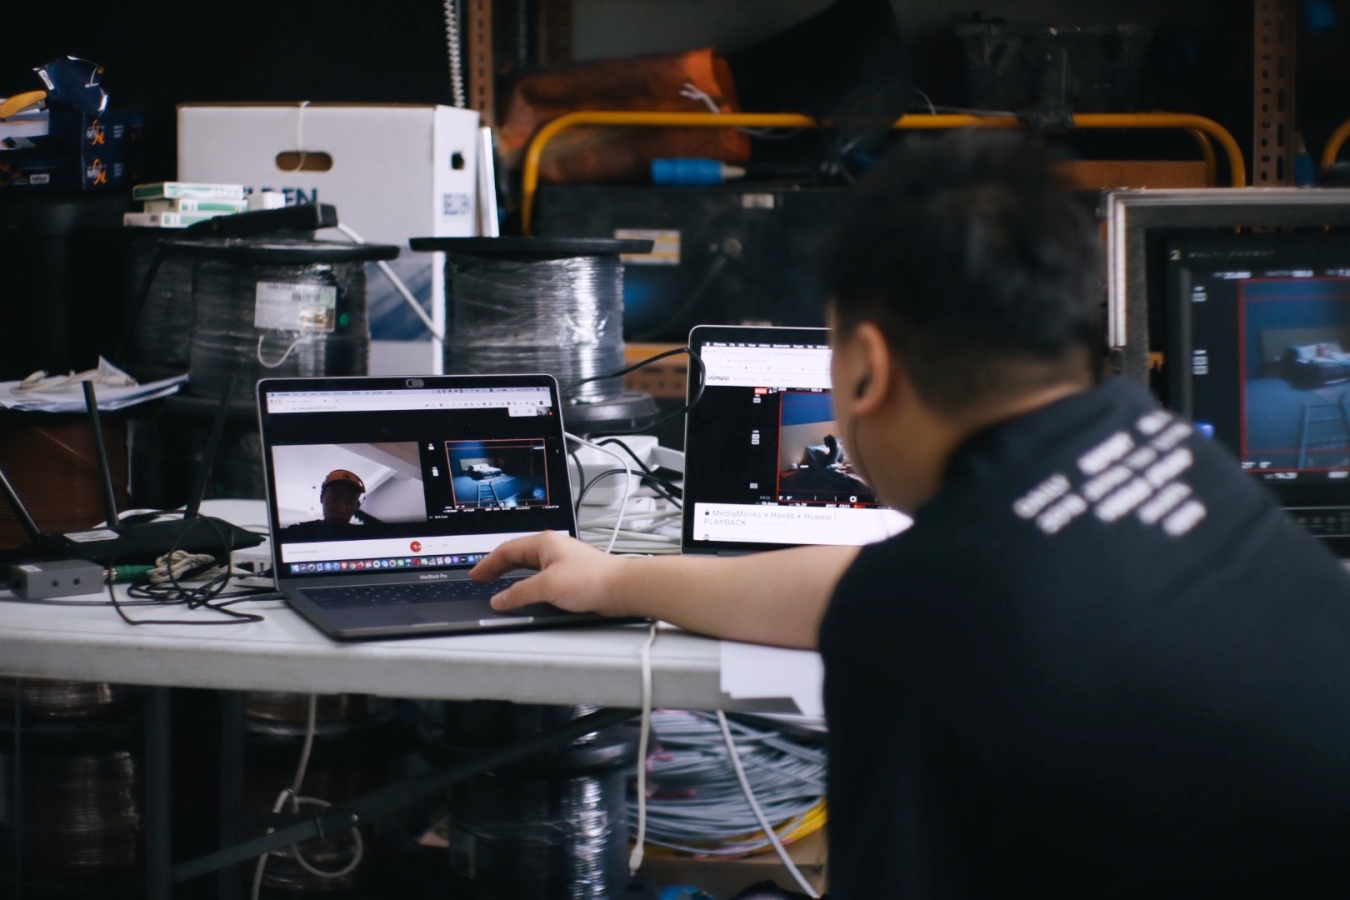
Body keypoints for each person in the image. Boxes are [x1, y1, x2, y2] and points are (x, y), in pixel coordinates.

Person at [472, 131, 1350, 897]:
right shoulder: (1169, 456)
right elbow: (865, 585)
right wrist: (620, 578)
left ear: (866, 367)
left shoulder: (919, 610)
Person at [280, 469, 384, 539]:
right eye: (335, 499)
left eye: (350, 501)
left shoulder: (363, 535)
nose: (342, 508)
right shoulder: (300, 532)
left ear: (357, 506)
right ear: (321, 498)